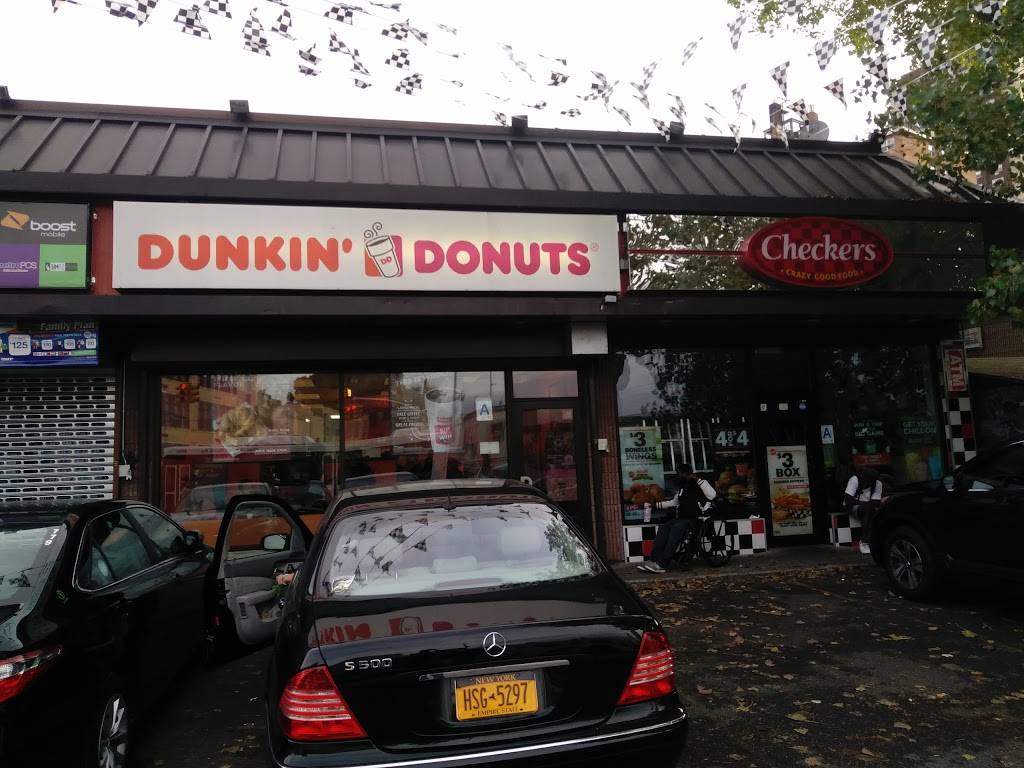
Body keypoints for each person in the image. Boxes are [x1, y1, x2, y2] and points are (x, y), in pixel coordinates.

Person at [639, 464, 716, 573]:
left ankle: (662, 564)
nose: (678, 476)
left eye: (680, 474)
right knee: (663, 527)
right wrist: (655, 505)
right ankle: (654, 560)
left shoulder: (701, 483)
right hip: (682, 518)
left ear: (687, 474)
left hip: (696, 519)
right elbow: (674, 502)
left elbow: (712, 495)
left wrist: (697, 479)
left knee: (676, 529)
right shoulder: (683, 487)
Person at [845, 466, 883, 555]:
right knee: (868, 509)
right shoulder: (855, 480)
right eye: (867, 480)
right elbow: (848, 500)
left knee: (876, 512)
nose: (868, 483)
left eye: (871, 481)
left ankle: (875, 541)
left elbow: (876, 502)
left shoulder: (878, 484)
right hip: (852, 507)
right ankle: (864, 541)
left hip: (868, 508)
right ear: (862, 477)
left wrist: (868, 505)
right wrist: (866, 504)